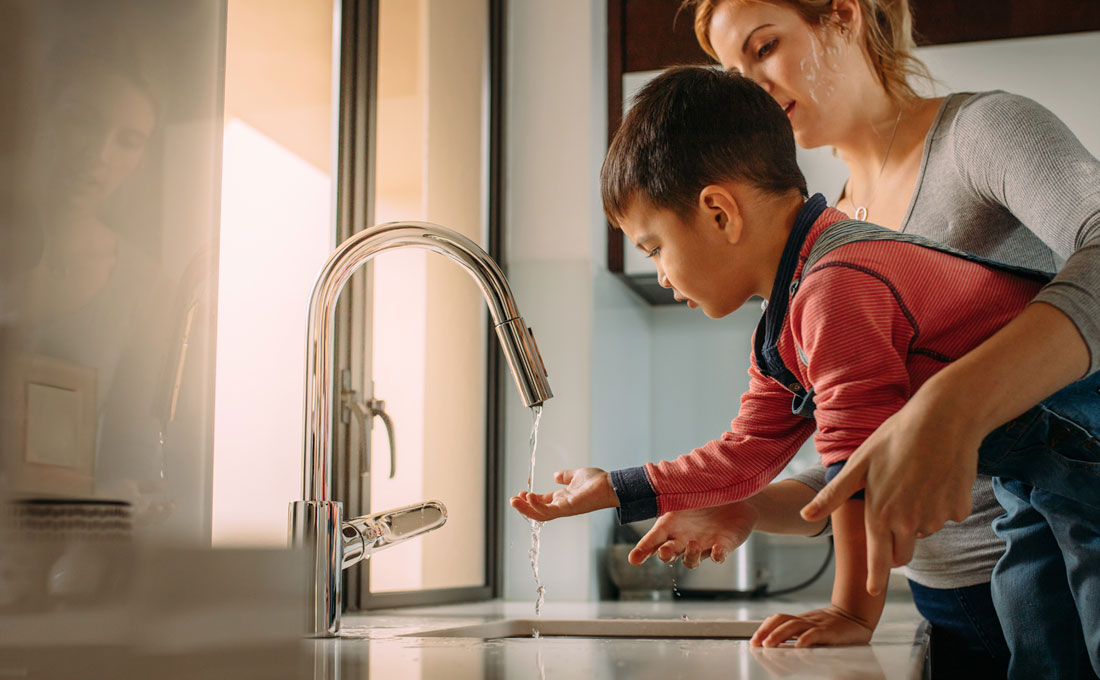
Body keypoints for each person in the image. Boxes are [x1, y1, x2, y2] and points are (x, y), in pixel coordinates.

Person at [510, 66, 1100, 677]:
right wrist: (614, 487)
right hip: (1034, 465)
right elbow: (748, 452)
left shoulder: (836, 285)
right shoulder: (791, 305)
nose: (660, 272)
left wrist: (850, 612)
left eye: (655, 247)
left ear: (720, 213)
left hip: (1084, 425)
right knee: (1045, 642)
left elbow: (855, 467)